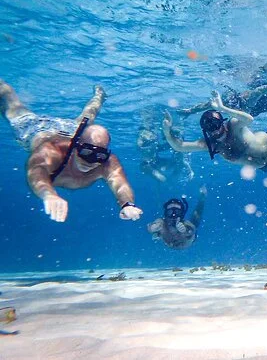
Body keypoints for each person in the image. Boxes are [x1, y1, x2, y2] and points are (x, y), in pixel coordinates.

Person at [0, 80, 142, 222]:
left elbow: (120, 184)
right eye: (86, 152)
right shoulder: (51, 151)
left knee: (87, 119)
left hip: (72, 130)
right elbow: (37, 172)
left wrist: (127, 204)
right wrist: (48, 194)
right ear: (75, 147)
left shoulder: (107, 162)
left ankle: (99, 96)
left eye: (99, 155)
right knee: (11, 106)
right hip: (37, 129)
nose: (90, 161)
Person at [163, 91, 267, 175]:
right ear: (206, 131)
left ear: (222, 122)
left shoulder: (233, 125)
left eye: (215, 124)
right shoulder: (211, 144)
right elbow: (180, 147)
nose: (214, 129)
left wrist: (223, 108)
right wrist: (167, 131)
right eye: (209, 128)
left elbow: (248, 119)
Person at [137, 106, 194, 183]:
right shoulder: (147, 142)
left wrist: (189, 168)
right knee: (161, 175)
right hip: (150, 163)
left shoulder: (156, 144)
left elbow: (180, 155)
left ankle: (171, 181)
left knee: (178, 156)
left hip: (156, 161)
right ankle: (168, 181)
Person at [148, 185, 206, 250]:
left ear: (181, 214)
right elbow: (151, 227)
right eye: (170, 212)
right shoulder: (161, 223)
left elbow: (192, 229)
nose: (173, 215)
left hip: (188, 243)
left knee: (195, 219)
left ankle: (202, 197)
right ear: (166, 214)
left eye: (177, 212)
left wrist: (185, 230)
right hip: (170, 245)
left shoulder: (185, 224)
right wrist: (152, 227)